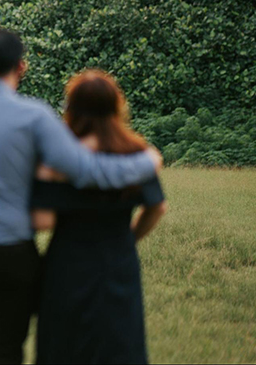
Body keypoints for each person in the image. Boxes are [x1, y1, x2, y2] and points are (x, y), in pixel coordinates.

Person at [0, 28, 163, 365]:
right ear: (21, 67)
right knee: (5, 349)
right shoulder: (34, 116)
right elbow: (87, 170)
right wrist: (145, 162)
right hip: (11, 251)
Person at [31, 69, 168, 364]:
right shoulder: (135, 153)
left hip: (67, 259)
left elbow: (43, 221)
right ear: (116, 106)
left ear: (70, 108)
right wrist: (129, 237)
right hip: (118, 258)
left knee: (63, 344)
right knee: (119, 342)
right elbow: (157, 207)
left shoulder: (60, 160)